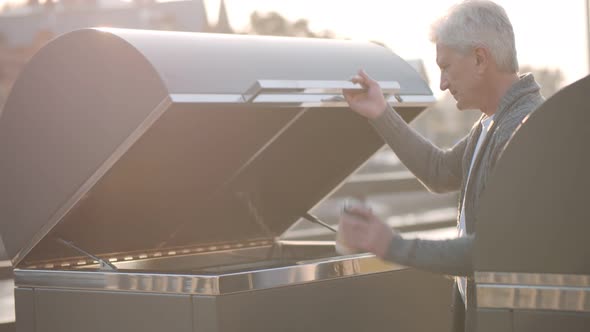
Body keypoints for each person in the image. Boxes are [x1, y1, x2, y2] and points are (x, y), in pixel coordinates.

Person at [339, 1, 545, 331]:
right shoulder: (491, 123)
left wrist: (391, 246)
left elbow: (493, 248)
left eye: (446, 67)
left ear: (480, 59)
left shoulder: (521, 129)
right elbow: (439, 171)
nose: (442, 83)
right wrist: (381, 112)